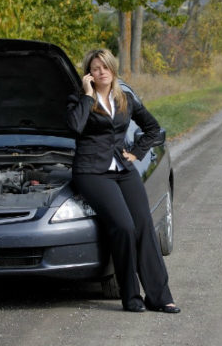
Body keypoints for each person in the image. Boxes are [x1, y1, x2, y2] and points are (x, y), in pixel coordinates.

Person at [66, 49, 180, 314]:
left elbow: (152, 128)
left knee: (144, 225)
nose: (101, 72)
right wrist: (86, 94)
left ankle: (160, 297)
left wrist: (137, 153)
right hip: (91, 172)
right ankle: (131, 296)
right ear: (88, 74)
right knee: (124, 227)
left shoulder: (125, 98)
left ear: (113, 70)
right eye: (95, 68)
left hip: (123, 168)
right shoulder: (79, 99)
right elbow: (74, 126)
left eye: (105, 67)